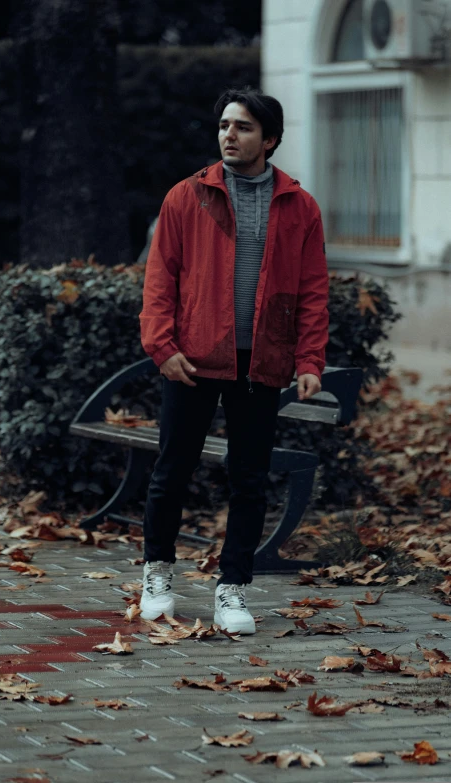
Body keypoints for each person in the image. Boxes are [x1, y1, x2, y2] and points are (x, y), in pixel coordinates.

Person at [138, 86, 329, 634]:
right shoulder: (186, 197)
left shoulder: (300, 206)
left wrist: (309, 359)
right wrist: (162, 346)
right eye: (224, 125)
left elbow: (314, 290)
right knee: (172, 472)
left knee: (249, 479)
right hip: (193, 360)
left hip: (261, 362)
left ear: (269, 140)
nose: (229, 135)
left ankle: (233, 589)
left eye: (243, 127)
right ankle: (157, 574)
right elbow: (160, 279)